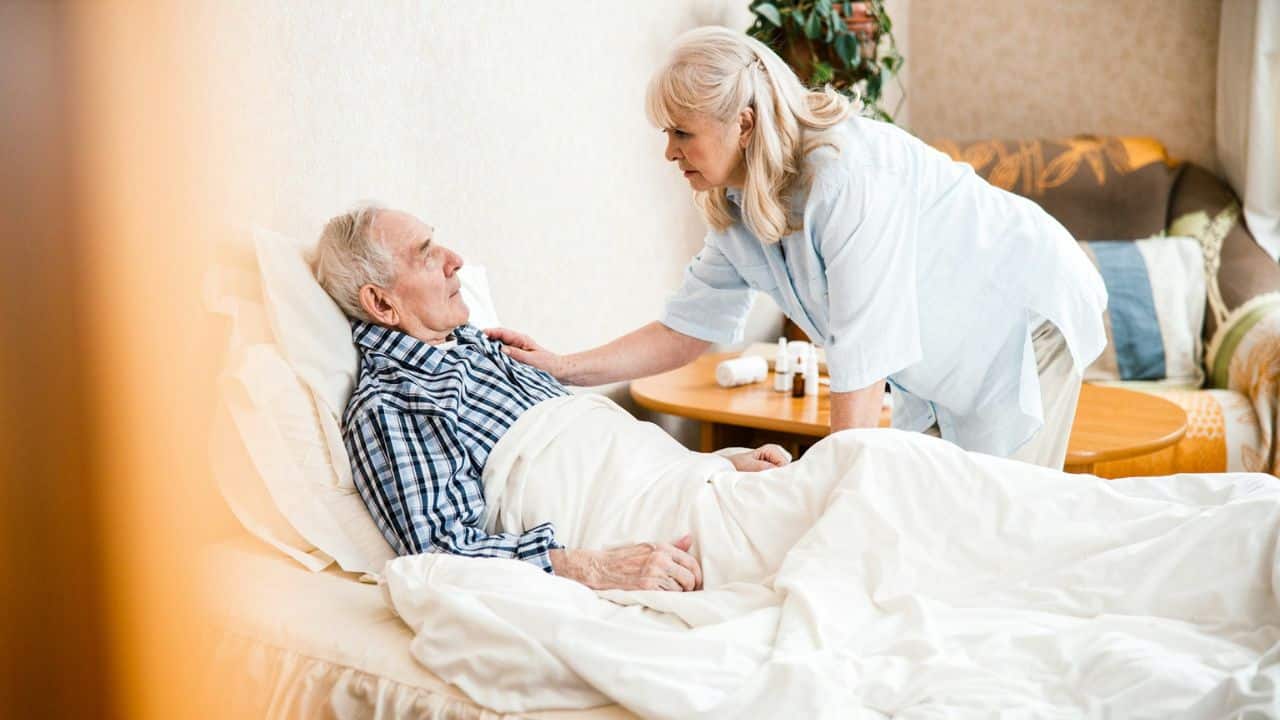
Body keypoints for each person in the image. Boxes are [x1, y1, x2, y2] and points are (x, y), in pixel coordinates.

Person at [486, 26, 1108, 470]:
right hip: (951, 353)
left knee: (999, 527)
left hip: (1026, 317)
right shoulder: (737, 206)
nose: (669, 152)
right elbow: (686, 330)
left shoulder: (846, 175)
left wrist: (825, 498)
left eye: (682, 133)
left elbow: (861, 367)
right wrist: (561, 367)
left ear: (745, 124)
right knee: (941, 522)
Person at [313, 204, 791, 592]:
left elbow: (604, 454)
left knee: (844, 482)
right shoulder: (394, 403)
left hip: (690, 485)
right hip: (647, 528)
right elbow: (443, 552)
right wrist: (595, 569)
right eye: (426, 254)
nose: (454, 258)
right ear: (381, 303)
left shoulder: (487, 345)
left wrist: (718, 463)